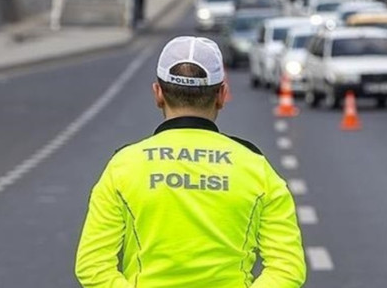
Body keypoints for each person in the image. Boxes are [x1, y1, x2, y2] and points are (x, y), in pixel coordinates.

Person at [75, 36, 306, 288]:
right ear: (221, 95)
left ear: (158, 94)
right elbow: (287, 268)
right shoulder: (256, 167)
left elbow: (92, 265)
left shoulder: (123, 166)